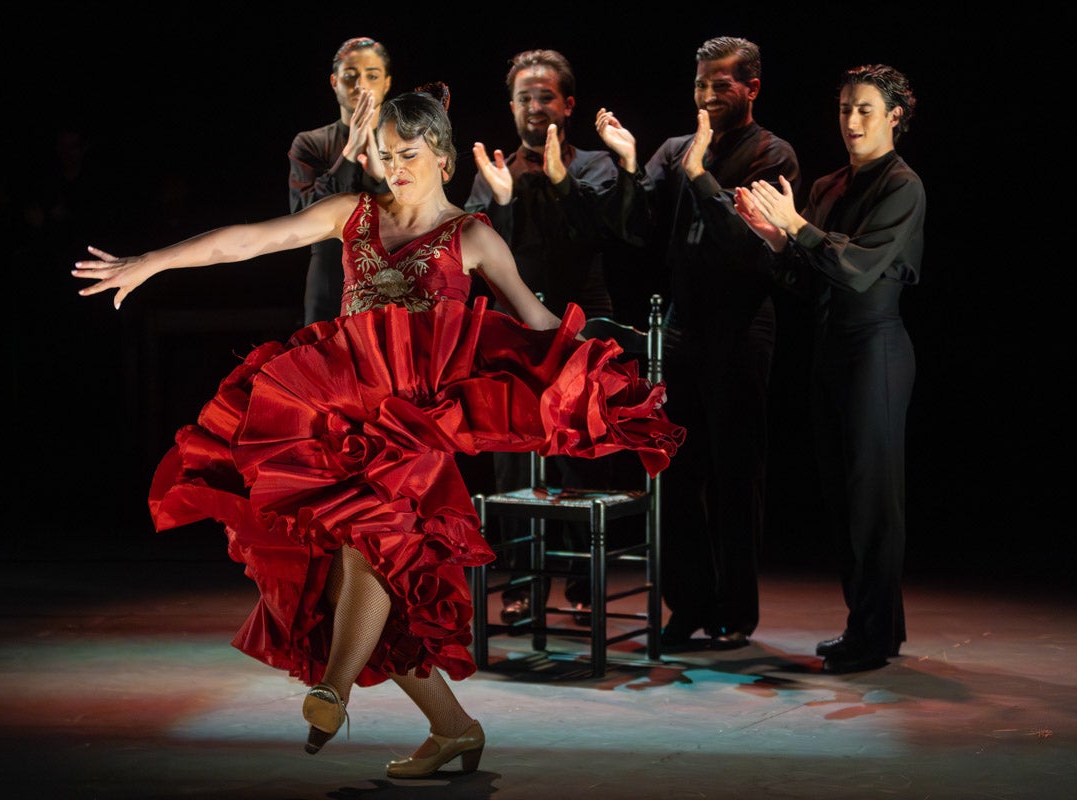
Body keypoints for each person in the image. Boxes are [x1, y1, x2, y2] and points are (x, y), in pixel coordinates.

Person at [74, 84, 683, 776]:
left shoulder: (471, 236)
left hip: (415, 432)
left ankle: (332, 686)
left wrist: (610, 380)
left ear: (442, 156)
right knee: (342, 586)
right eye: (385, 155)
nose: (393, 168)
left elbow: (537, 324)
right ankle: (453, 728)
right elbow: (249, 241)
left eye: (409, 155)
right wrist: (151, 262)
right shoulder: (354, 215)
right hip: (335, 418)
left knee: (373, 540)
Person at [734, 64, 925, 674]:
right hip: (830, 347)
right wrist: (777, 241)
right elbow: (808, 282)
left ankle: (873, 635)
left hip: (876, 350)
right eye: (845, 108)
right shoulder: (825, 186)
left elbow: (860, 269)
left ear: (894, 115)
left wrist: (798, 229)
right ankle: (872, 628)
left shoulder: (903, 185)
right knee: (843, 497)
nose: (851, 121)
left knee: (873, 498)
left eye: (865, 109)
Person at [464, 48, 647, 626]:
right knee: (515, 461)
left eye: (545, 96)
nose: (534, 107)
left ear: (568, 104)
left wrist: (563, 184)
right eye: (524, 98)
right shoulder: (496, 171)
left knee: (582, 454)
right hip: (513, 333)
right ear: (512, 107)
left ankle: (583, 583)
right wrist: (500, 201)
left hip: (582, 326)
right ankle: (522, 582)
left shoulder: (592, 166)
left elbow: (615, 230)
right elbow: (473, 253)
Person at [638, 36, 800, 650]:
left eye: (720, 85)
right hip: (684, 326)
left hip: (741, 326)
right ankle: (689, 605)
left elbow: (748, 248)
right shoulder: (676, 149)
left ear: (751, 88)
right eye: (700, 83)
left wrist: (701, 176)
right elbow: (637, 225)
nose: (706, 95)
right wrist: (631, 167)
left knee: (736, 474)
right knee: (677, 470)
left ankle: (735, 611)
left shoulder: (773, 154)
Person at [288, 36, 392, 326]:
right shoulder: (311, 143)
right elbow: (301, 214)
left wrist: (379, 177)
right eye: (350, 76)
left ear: (386, 83)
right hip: (330, 274)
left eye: (372, 76)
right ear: (335, 81)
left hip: (393, 270)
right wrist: (348, 153)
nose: (360, 84)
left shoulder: (404, 141)